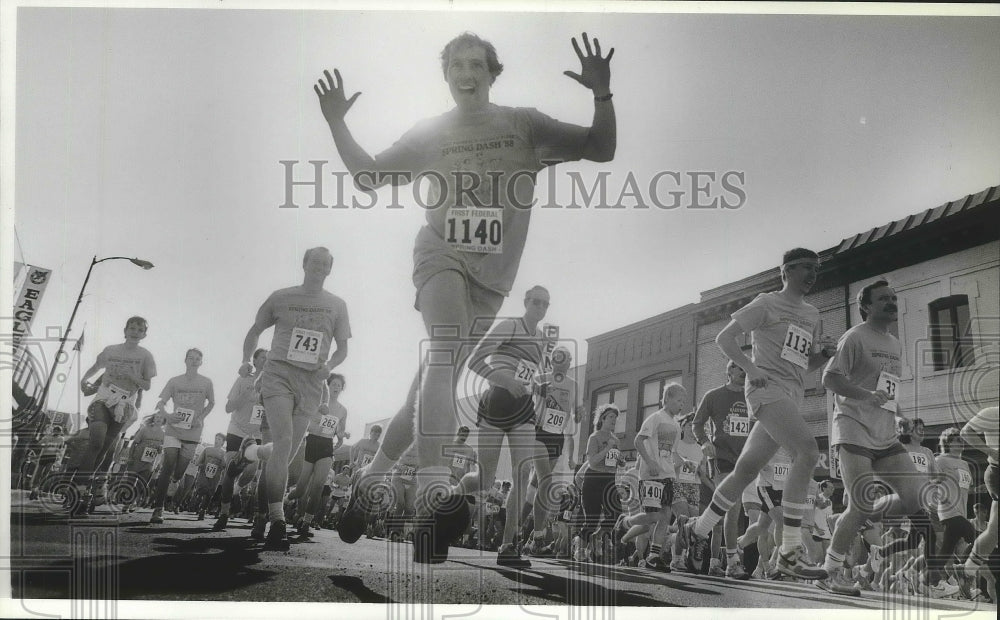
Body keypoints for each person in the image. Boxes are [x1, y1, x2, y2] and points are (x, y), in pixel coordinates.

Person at [318, 31, 616, 562]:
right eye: (455, 64)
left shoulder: (524, 125)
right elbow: (368, 176)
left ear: (492, 72)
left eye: (475, 63)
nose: (465, 71)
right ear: (447, 75)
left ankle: (368, 485)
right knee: (445, 347)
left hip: (491, 282)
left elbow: (601, 147)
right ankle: (435, 493)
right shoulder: (431, 133)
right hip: (440, 256)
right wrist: (337, 122)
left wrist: (601, 94)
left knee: (423, 394)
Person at [684, 248, 837, 580]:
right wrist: (750, 368)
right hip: (765, 391)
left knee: (745, 470)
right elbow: (724, 339)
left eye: (816, 269)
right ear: (786, 271)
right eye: (805, 268)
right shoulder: (767, 303)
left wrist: (823, 356)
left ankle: (697, 528)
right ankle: (789, 551)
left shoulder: (812, 314)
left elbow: (802, 365)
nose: (812, 274)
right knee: (808, 452)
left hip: (790, 397)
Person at [817, 280, 931, 595]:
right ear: (865, 306)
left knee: (914, 497)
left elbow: (887, 387)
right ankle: (829, 571)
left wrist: (901, 414)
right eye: (883, 299)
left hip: (885, 433)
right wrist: (865, 395)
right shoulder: (853, 337)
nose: (891, 303)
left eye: (894, 298)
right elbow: (829, 378)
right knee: (862, 502)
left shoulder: (894, 343)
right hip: (853, 427)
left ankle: (854, 514)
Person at [239, 247, 351, 549]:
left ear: (330, 269)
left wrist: (328, 367)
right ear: (304, 264)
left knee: (283, 456)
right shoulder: (281, 296)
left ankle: (260, 501)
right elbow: (255, 330)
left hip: (312, 382)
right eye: (315, 262)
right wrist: (247, 359)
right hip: (278, 374)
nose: (319, 267)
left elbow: (342, 349)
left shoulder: (337, 305)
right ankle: (277, 518)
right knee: (285, 441)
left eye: (325, 264)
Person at [450, 285, 551, 568]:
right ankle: (451, 495)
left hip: (523, 408)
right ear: (526, 302)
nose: (540, 308)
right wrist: (506, 381)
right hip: (496, 400)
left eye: (545, 304)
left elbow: (532, 376)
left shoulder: (541, 340)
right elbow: (475, 361)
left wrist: (541, 391)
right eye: (536, 302)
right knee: (485, 479)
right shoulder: (509, 325)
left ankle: (508, 545)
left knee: (521, 474)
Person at [77, 316, 156, 513]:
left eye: (139, 329)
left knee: (104, 449)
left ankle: (89, 489)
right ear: (125, 329)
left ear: (144, 335)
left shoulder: (146, 355)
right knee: (96, 442)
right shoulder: (111, 349)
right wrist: (84, 379)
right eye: (132, 327)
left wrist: (133, 376)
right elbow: (96, 368)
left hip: (125, 404)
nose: (135, 331)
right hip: (103, 398)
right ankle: (78, 490)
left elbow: (146, 385)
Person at [690, 360, 753, 579]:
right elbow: (697, 424)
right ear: (728, 371)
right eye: (739, 367)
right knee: (732, 509)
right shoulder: (714, 395)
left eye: (746, 368)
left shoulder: (751, 395)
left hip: (744, 459)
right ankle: (732, 562)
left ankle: (694, 535)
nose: (744, 371)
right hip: (721, 457)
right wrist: (704, 442)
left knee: (726, 512)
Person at [524, 345, 579, 557]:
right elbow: (526, 387)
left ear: (569, 364)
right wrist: (537, 389)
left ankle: (526, 536)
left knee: (537, 487)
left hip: (557, 436)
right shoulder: (541, 377)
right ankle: (537, 538)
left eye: (566, 362)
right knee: (546, 482)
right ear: (553, 362)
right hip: (539, 432)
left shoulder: (573, 385)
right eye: (559, 360)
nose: (563, 365)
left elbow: (572, 415)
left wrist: (579, 412)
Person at [148, 348, 214, 524]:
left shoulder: (206, 382)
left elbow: (212, 403)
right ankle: (158, 509)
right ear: (185, 360)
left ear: (201, 362)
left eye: (197, 359)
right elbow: (160, 403)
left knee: (179, 471)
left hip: (193, 431)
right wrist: (168, 415)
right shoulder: (174, 381)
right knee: (168, 465)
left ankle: (175, 480)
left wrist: (200, 418)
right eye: (190, 358)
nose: (193, 361)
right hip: (173, 428)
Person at [286, 373, 349, 536]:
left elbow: (340, 432)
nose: (336, 387)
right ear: (328, 386)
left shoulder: (343, 410)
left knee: (318, 487)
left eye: (339, 385)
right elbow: (306, 426)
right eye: (333, 384)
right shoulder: (317, 402)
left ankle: (306, 521)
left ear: (342, 389)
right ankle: (290, 505)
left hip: (327, 447)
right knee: (301, 488)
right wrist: (319, 420)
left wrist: (342, 435)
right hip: (312, 442)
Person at [213, 348, 268, 531]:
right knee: (231, 469)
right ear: (254, 360)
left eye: (269, 359)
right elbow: (228, 407)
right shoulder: (243, 379)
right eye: (262, 358)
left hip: (257, 435)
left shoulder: (272, 384)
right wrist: (245, 395)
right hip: (237, 429)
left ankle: (236, 491)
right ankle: (224, 512)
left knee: (251, 471)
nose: (265, 361)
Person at [930, 427, 977, 597]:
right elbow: (929, 481)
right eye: (957, 440)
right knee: (976, 538)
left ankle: (926, 579)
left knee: (946, 551)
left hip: (961, 512)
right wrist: (938, 496)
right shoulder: (940, 460)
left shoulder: (964, 463)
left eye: (961, 441)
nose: (961, 443)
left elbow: (965, 488)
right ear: (948, 443)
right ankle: (963, 572)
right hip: (948, 511)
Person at [579, 404, 625, 564]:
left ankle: (597, 536)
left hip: (609, 479)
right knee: (591, 518)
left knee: (616, 511)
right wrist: (608, 449)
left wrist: (620, 461)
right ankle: (580, 550)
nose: (614, 420)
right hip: (593, 479)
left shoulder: (616, 440)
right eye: (611, 417)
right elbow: (592, 462)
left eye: (615, 418)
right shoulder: (594, 437)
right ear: (602, 419)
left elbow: (613, 461)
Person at [960, 406, 998, 591]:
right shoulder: (992, 413)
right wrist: (990, 451)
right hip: (997, 471)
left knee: (993, 532)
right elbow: (965, 432)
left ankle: (967, 570)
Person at [121, 413, 166, 512]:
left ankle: (131, 502)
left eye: (161, 417)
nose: (158, 419)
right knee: (131, 481)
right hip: (137, 458)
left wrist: (159, 457)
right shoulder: (145, 429)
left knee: (142, 483)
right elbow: (134, 443)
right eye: (157, 417)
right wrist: (130, 457)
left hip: (150, 461)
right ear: (153, 419)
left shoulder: (164, 434)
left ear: (164, 421)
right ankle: (127, 502)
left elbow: (161, 451)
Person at [190, 433, 227, 520]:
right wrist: (200, 464)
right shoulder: (207, 449)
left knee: (209, 493)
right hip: (203, 474)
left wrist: (222, 466)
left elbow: (224, 466)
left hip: (215, 476)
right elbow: (198, 462)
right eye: (216, 438)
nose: (216, 440)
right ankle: (197, 502)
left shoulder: (223, 453)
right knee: (201, 490)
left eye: (219, 439)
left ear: (223, 442)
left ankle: (203, 510)